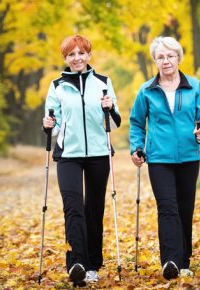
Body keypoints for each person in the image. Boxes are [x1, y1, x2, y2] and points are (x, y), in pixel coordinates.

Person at [129, 36, 200, 280]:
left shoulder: (194, 86)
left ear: (178, 58)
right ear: (155, 61)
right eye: (160, 57)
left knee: (185, 209)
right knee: (167, 207)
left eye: (170, 56)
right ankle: (170, 260)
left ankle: (184, 260)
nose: (165, 61)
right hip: (158, 159)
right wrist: (136, 148)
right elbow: (137, 123)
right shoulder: (146, 90)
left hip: (189, 156)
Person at [42, 34, 121, 285]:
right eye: (71, 54)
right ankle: (76, 262)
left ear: (89, 55)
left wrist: (110, 107)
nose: (77, 58)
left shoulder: (103, 82)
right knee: (73, 207)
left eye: (81, 53)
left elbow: (115, 122)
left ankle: (93, 264)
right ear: (65, 58)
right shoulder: (57, 86)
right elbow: (52, 127)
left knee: (94, 209)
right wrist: (48, 124)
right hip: (69, 155)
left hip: (99, 153)